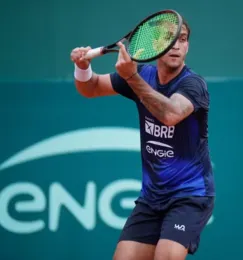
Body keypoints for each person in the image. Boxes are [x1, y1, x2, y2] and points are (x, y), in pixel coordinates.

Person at [70, 18, 215, 260]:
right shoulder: (144, 75)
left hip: (190, 194)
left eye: (183, 39)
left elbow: (170, 114)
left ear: (187, 46)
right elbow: (91, 88)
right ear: (155, 45)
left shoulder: (193, 84)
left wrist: (131, 78)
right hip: (152, 197)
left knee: (166, 257)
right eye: (171, 39)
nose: (177, 46)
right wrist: (82, 67)